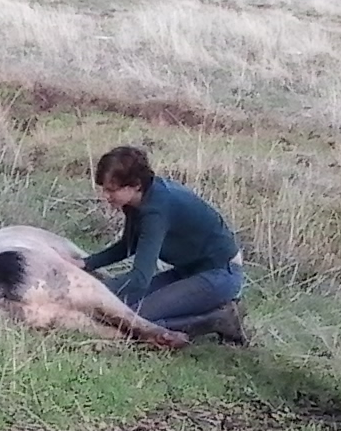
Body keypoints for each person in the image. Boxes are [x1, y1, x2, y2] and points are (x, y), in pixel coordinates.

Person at [82, 146, 248, 344]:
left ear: (135, 185)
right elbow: (129, 245)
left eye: (111, 190)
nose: (105, 196)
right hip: (189, 270)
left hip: (221, 274)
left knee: (131, 319)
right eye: (104, 189)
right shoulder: (136, 202)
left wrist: (90, 289)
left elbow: (140, 278)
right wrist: (86, 264)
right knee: (119, 305)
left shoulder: (156, 211)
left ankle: (217, 320)